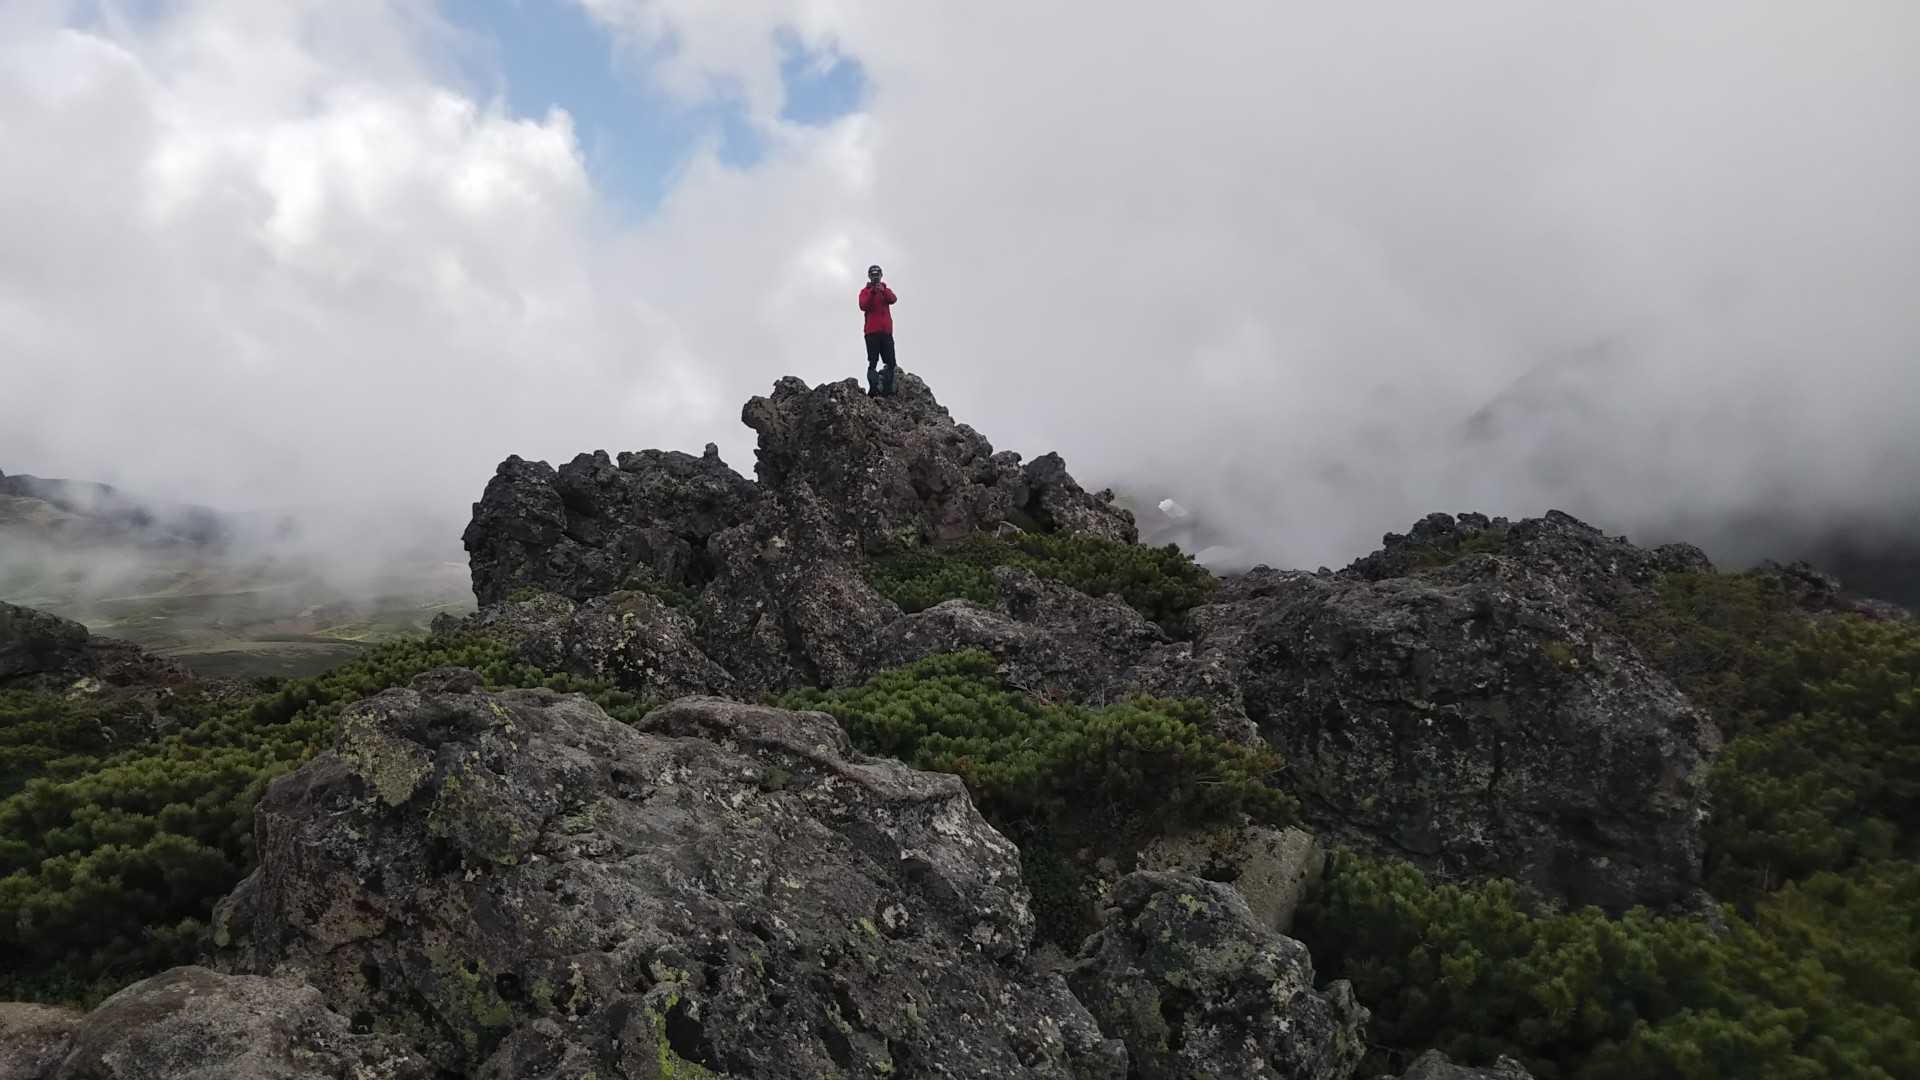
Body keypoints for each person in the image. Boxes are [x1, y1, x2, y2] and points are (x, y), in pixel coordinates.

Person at [858, 265, 898, 397]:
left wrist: (883, 290)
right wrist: (872, 292)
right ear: (869, 276)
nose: (875, 277)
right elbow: (863, 305)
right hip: (871, 332)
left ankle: (888, 389)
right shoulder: (865, 291)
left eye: (877, 274)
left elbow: (893, 299)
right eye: (873, 275)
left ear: (881, 275)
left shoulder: (885, 289)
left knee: (891, 362)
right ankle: (874, 389)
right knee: (873, 361)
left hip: (886, 332)